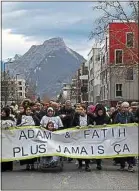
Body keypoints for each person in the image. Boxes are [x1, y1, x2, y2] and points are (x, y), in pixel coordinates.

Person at [115, 101, 135, 172]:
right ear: (121, 108)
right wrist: (118, 124)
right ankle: (122, 165)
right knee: (122, 151)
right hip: (121, 136)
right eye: (124, 107)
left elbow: (134, 122)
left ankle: (130, 165)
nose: (126, 109)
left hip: (129, 136)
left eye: (127, 107)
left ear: (129, 108)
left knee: (130, 151)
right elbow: (114, 124)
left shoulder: (131, 114)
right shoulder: (118, 115)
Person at [72, 106, 94, 172]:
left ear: (85, 110)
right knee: (79, 150)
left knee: (86, 150)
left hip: (87, 137)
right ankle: (80, 163)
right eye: (79, 109)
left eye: (82, 109)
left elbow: (94, 125)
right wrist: (76, 127)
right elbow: (72, 125)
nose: (80, 111)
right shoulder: (76, 117)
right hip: (79, 137)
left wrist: (91, 125)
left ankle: (87, 165)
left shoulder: (89, 117)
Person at [93, 105, 111, 170]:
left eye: (101, 112)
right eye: (99, 112)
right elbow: (92, 124)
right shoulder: (95, 118)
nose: (100, 113)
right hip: (97, 137)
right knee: (98, 150)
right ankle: (98, 164)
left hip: (104, 137)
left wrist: (107, 125)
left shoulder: (107, 118)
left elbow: (111, 126)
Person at [1, 107, 16, 172]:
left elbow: (13, 126)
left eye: (4, 112)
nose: (2, 113)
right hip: (1, 138)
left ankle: (9, 167)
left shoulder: (11, 119)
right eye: (2, 111)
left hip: (9, 138)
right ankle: (2, 167)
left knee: (9, 152)